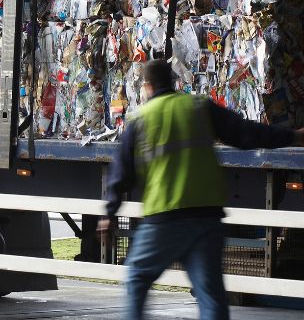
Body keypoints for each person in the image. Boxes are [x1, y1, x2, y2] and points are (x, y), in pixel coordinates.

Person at [98, 59, 304, 320]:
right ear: (173, 83)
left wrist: (109, 213)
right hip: (208, 219)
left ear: (147, 87)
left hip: (165, 219)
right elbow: (246, 133)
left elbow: (121, 173)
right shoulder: (198, 107)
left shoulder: (141, 119)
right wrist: (293, 137)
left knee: (138, 278)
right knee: (210, 294)